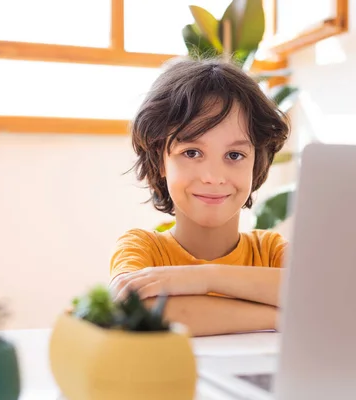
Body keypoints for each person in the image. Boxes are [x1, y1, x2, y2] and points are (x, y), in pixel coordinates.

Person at [109, 57, 290, 336]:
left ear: (256, 164)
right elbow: (139, 312)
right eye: (192, 153)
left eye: (234, 155)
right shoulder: (142, 249)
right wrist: (282, 316)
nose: (213, 176)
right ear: (160, 161)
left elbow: (320, 295)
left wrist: (204, 278)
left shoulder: (272, 251)